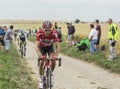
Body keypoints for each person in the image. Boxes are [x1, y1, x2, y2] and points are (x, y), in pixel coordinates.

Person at [35, 21, 59, 89]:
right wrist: (40, 56)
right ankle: (40, 79)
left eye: (49, 30)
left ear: (51, 29)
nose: (47, 31)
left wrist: (56, 55)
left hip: (50, 47)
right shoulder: (39, 33)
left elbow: (57, 46)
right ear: (43, 29)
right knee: (42, 61)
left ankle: (51, 75)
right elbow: (36, 46)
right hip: (41, 47)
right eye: (46, 30)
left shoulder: (54, 33)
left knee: (53, 60)